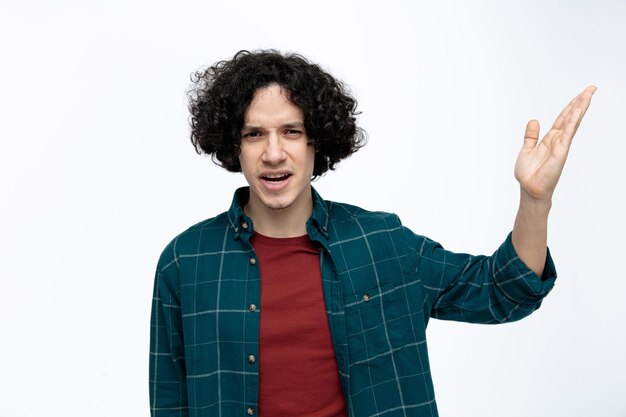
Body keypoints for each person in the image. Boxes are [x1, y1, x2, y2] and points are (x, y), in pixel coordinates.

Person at [149, 49, 595, 417]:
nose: (273, 152)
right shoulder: (186, 262)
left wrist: (535, 200)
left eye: (291, 131)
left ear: (315, 141)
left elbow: (504, 292)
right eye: (253, 134)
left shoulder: (381, 244)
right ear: (233, 144)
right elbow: (170, 403)